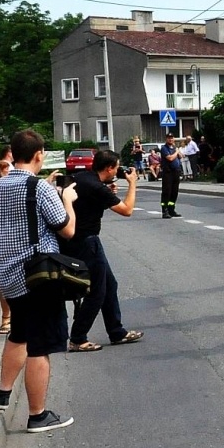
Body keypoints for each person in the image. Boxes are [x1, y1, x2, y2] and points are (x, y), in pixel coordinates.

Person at [0, 130, 79, 433]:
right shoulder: (39, 188)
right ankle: (37, 414)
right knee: (41, 346)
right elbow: (66, 230)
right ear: (39, 154)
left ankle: (3, 393)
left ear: (11, 153)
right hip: (39, 278)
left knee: (19, 334)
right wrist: (68, 201)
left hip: (9, 276)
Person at [66, 149, 143, 352]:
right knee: (97, 292)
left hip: (76, 240)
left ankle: (116, 331)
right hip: (87, 242)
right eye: (116, 167)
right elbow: (127, 210)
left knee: (110, 285)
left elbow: (86, 197)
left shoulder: (83, 178)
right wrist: (132, 184)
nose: (118, 171)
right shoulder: (97, 187)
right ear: (109, 168)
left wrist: (106, 189)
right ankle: (77, 337)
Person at [158, 134, 182, 218]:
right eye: (169, 138)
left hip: (176, 172)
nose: (171, 140)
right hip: (168, 173)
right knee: (166, 192)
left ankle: (171, 209)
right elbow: (170, 158)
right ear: (166, 139)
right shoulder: (164, 148)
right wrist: (176, 152)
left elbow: (181, 156)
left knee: (174, 192)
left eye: (172, 138)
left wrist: (179, 152)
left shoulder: (174, 148)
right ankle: (165, 211)